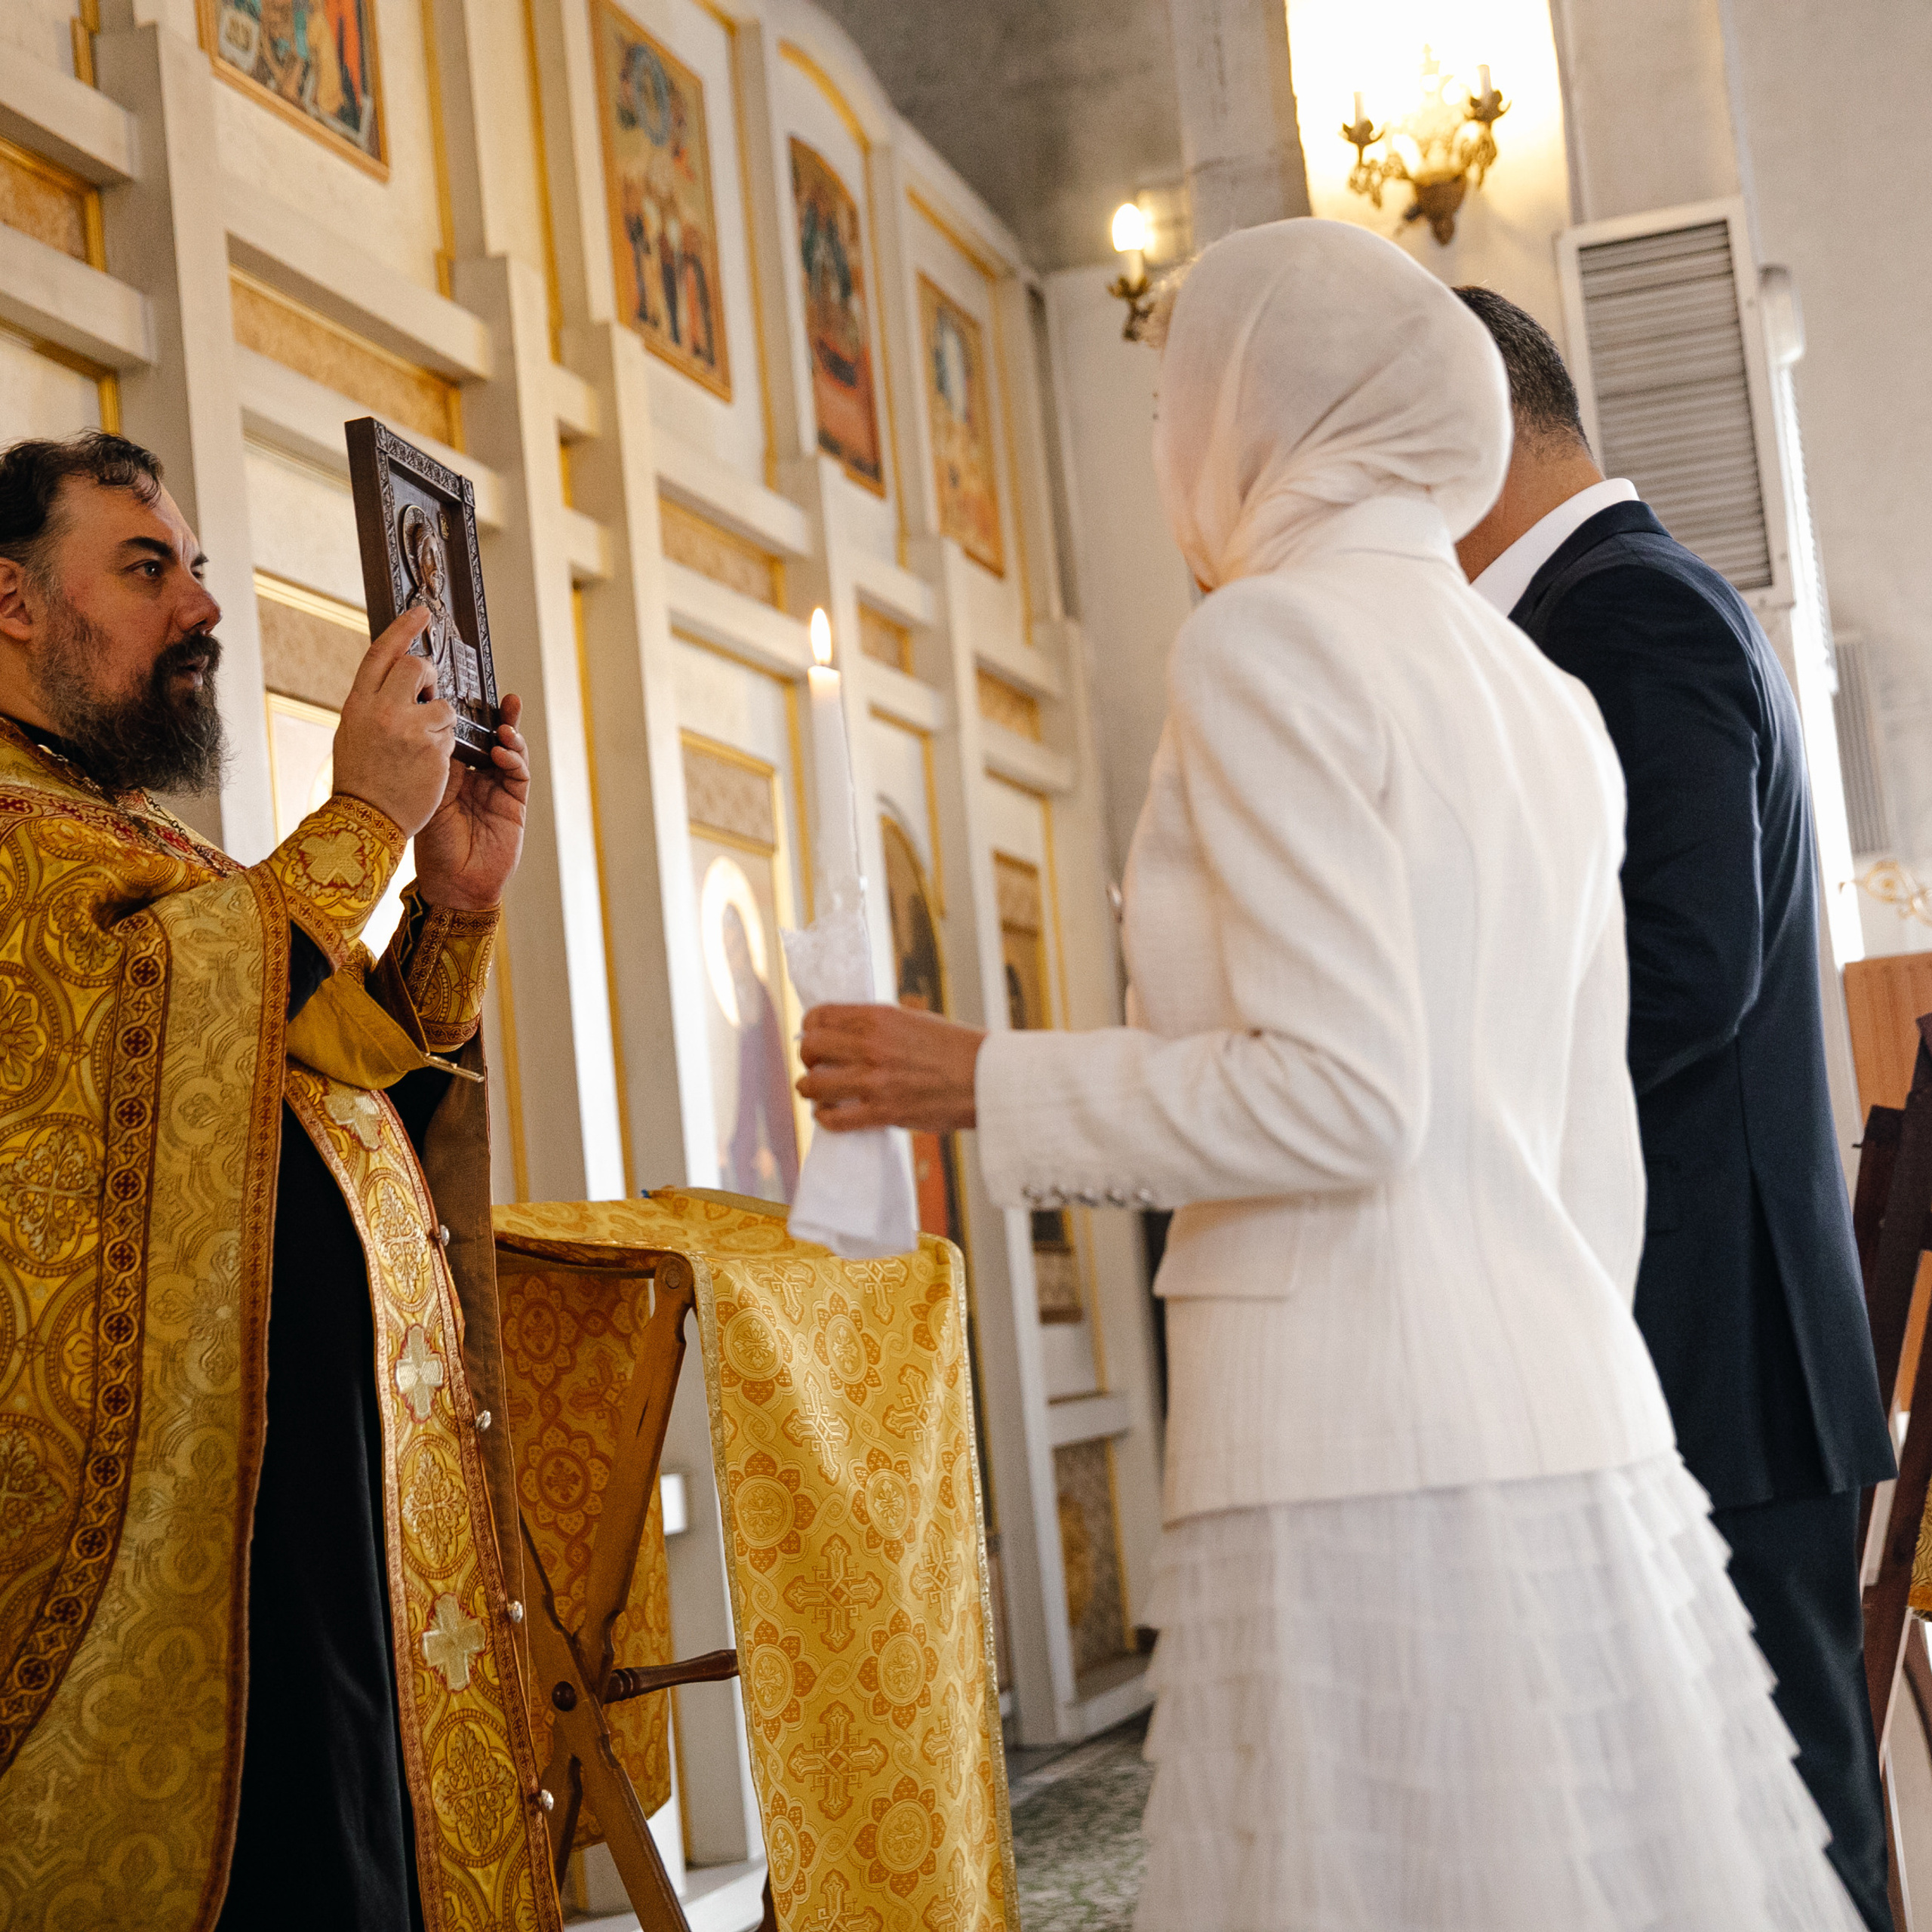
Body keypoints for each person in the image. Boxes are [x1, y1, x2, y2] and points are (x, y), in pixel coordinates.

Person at [795, 220, 1865, 1930]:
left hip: (1344, 1427)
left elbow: (1344, 1091)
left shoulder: (1261, 646)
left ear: (1256, 406)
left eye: (1170, 398)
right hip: (1568, 1396)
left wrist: (988, 1077)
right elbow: (1591, 1138)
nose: (1161, 447)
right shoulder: (1529, 692)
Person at [0, 432, 561, 1931]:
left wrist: (446, 902)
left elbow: (319, 1061)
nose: (202, 604)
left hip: (297, 1520)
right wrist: (364, 822)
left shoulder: (137, 846)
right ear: (12, 604)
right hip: (167, 1563)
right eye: (145, 567)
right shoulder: (17, 854)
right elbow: (159, 1023)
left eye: (194, 566)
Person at [1451, 283, 1897, 1930]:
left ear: (1470, 427)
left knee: (1784, 1836)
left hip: (1723, 1344)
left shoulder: (1616, 613)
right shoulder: (1610, 605)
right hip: (1701, 1335)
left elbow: (1682, 967)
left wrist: (1444, 1104)